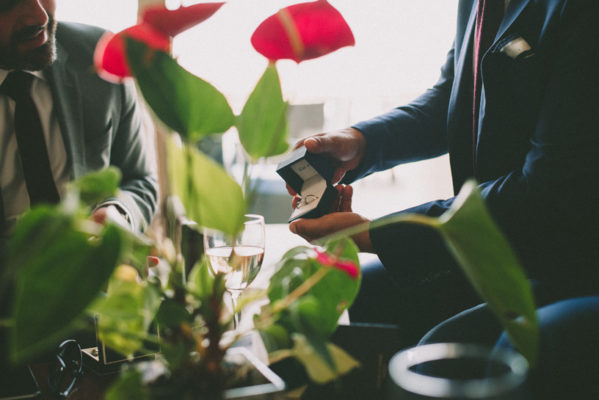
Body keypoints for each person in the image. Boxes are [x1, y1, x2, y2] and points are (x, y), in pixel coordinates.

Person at [287, 0, 599, 344]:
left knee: (436, 353)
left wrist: (374, 233)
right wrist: (359, 142)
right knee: (368, 293)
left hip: (564, 258)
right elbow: (454, 95)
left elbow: (545, 193)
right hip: (495, 244)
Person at [0, 0, 158, 239]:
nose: (40, 17)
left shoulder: (101, 57)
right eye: (9, 4)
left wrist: (118, 214)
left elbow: (139, 180)